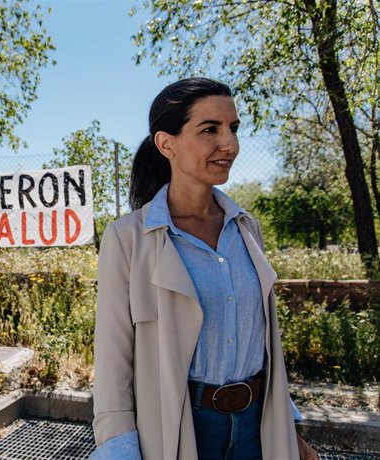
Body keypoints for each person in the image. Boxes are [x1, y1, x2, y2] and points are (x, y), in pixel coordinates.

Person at [91, 77, 318, 460]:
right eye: (209, 129)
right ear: (167, 144)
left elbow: (264, 345)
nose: (228, 144)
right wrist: (119, 450)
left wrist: (289, 428)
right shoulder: (128, 238)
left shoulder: (246, 228)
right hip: (179, 430)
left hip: (257, 428)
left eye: (233, 128)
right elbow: (114, 363)